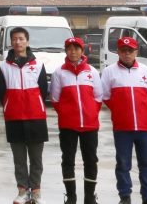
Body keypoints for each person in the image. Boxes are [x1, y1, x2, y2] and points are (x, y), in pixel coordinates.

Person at [0, 27, 48, 204]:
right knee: (19, 159)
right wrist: (11, 104)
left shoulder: (38, 65)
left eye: (21, 38)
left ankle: (36, 192)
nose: (18, 42)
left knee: (36, 159)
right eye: (15, 39)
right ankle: (22, 191)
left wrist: (34, 103)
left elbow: (43, 90)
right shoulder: (4, 66)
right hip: (14, 118)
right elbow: (0, 91)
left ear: (27, 41)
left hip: (36, 118)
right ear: (11, 42)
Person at [99, 36, 147, 204]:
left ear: (136, 52)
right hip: (122, 127)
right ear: (118, 52)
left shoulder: (145, 70)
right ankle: (125, 195)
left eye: (130, 50)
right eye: (123, 51)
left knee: (146, 164)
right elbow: (105, 96)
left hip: (144, 127)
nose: (127, 54)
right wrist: (120, 111)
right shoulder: (109, 72)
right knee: (123, 164)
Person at [49, 37, 102, 204]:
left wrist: (90, 113)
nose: (73, 52)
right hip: (68, 126)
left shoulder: (92, 71)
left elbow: (98, 97)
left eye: (76, 48)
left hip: (90, 125)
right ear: (66, 51)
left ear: (82, 50)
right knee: (68, 160)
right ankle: (71, 197)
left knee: (91, 160)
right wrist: (66, 114)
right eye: (70, 48)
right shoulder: (59, 72)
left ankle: (89, 196)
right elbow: (55, 99)